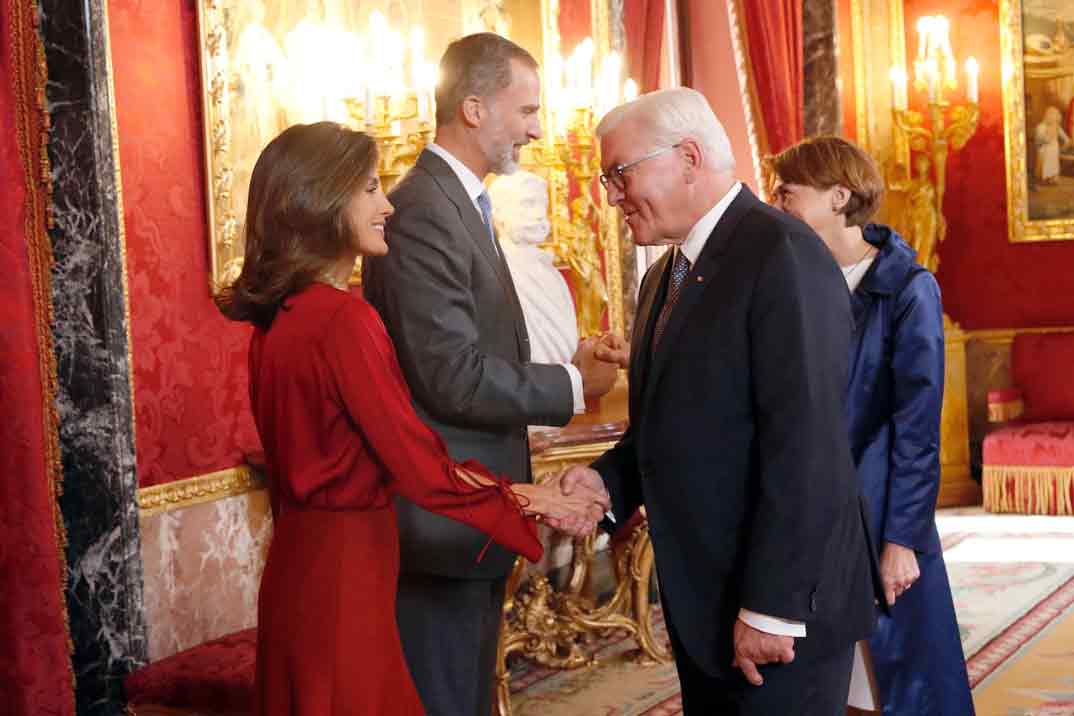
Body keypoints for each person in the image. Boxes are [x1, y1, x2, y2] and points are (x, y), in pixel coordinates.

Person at [215, 122, 602, 716]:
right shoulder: (345, 320)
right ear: (323, 200)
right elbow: (418, 465)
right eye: (370, 189)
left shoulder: (277, 322)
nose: (387, 204)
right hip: (348, 571)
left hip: (298, 568)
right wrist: (533, 500)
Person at [559, 88, 880, 715]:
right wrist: (603, 487)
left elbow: (806, 446)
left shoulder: (781, 253)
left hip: (778, 611)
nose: (612, 194)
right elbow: (664, 428)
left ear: (687, 155)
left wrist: (772, 608)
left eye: (619, 173)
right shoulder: (663, 275)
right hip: (706, 602)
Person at [361, 33, 616, 716]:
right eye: (527, 110)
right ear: (474, 108)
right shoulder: (422, 211)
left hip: (471, 514)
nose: (538, 130)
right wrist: (572, 383)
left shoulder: (461, 203)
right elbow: (449, 375)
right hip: (442, 514)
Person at [766, 135, 974, 716]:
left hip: (880, 508)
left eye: (788, 192)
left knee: (906, 680)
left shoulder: (907, 288)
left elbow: (916, 427)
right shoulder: (791, 282)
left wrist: (902, 539)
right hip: (813, 510)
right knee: (831, 682)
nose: (776, 204)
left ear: (839, 196)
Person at [487, 170, 579, 365]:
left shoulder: (550, 271)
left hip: (563, 383)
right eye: (528, 204)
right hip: (531, 387)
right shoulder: (496, 272)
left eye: (542, 205)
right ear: (499, 212)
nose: (539, 214)